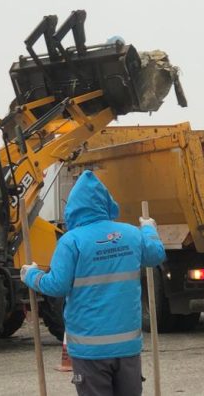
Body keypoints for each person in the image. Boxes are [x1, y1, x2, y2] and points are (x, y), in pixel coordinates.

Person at [21, 170, 166, 396]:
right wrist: (148, 228)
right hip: (127, 347)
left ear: (74, 208)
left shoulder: (72, 241)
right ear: (106, 202)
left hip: (89, 349)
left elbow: (56, 285)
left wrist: (30, 275)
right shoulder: (131, 234)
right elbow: (156, 254)